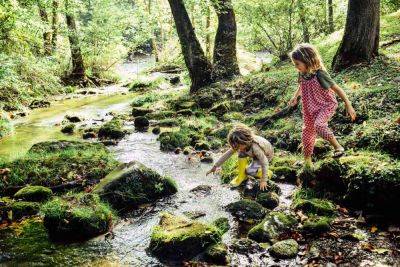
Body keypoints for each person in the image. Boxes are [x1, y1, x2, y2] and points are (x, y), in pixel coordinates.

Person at [288, 43, 356, 169]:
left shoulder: (320, 74)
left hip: (325, 105)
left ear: (307, 60)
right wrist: (295, 96)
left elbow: (337, 89)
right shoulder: (303, 73)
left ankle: (338, 147)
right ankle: (307, 161)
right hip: (309, 108)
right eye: (295, 64)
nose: (296, 67)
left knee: (319, 125)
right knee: (307, 133)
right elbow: (300, 85)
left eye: (297, 64)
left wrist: (348, 104)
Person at [207, 124, 274, 191]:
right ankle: (241, 176)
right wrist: (215, 166)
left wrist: (263, 180)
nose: (237, 148)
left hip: (266, 155)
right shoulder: (240, 145)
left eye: (238, 146)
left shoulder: (255, 147)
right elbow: (227, 154)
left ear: (245, 141)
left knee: (250, 171)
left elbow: (264, 162)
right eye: (235, 146)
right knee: (241, 153)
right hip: (254, 154)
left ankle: (268, 173)